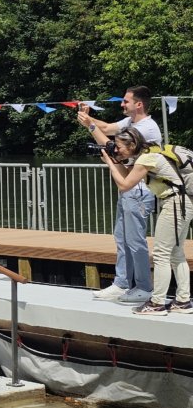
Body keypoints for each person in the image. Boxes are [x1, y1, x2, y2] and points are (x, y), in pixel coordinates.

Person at [78, 86, 160, 303]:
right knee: (121, 239)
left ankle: (144, 287)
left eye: (126, 101)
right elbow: (107, 127)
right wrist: (88, 118)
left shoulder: (147, 128)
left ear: (139, 104)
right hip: (128, 189)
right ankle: (122, 283)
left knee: (135, 241)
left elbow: (113, 148)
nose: (122, 104)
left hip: (140, 191)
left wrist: (91, 125)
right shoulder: (130, 123)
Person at [101, 127, 192, 316]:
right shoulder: (150, 152)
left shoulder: (146, 158)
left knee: (161, 254)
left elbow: (125, 185)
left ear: (132, 144)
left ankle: (157, 303)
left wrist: (110, 163)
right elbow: (128, 175)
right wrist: (116, 160)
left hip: (174, 203)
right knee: (175, 253)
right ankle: (183, 301)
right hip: (182, 203)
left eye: (118, 147)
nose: (117, 150)